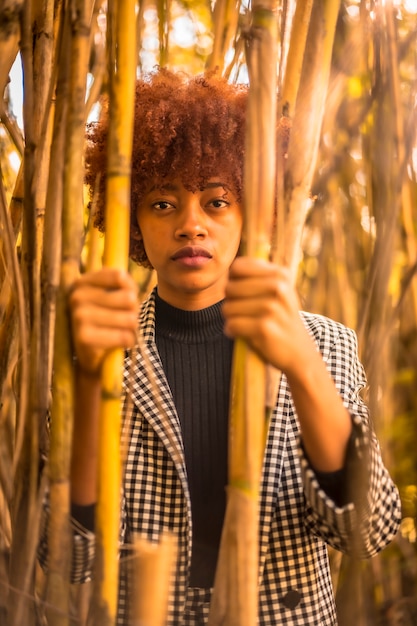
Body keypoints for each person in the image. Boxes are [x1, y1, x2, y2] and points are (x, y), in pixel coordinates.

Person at [40, 69, 401, 625]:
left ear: (250, 215)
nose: (190, 226)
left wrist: (303, 367)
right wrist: (88, 380)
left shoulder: (326, 342)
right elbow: (66, 556)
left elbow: (367, 531)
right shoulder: (97, 351)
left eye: (216, 201)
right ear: (133, 219)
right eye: (162, 204)